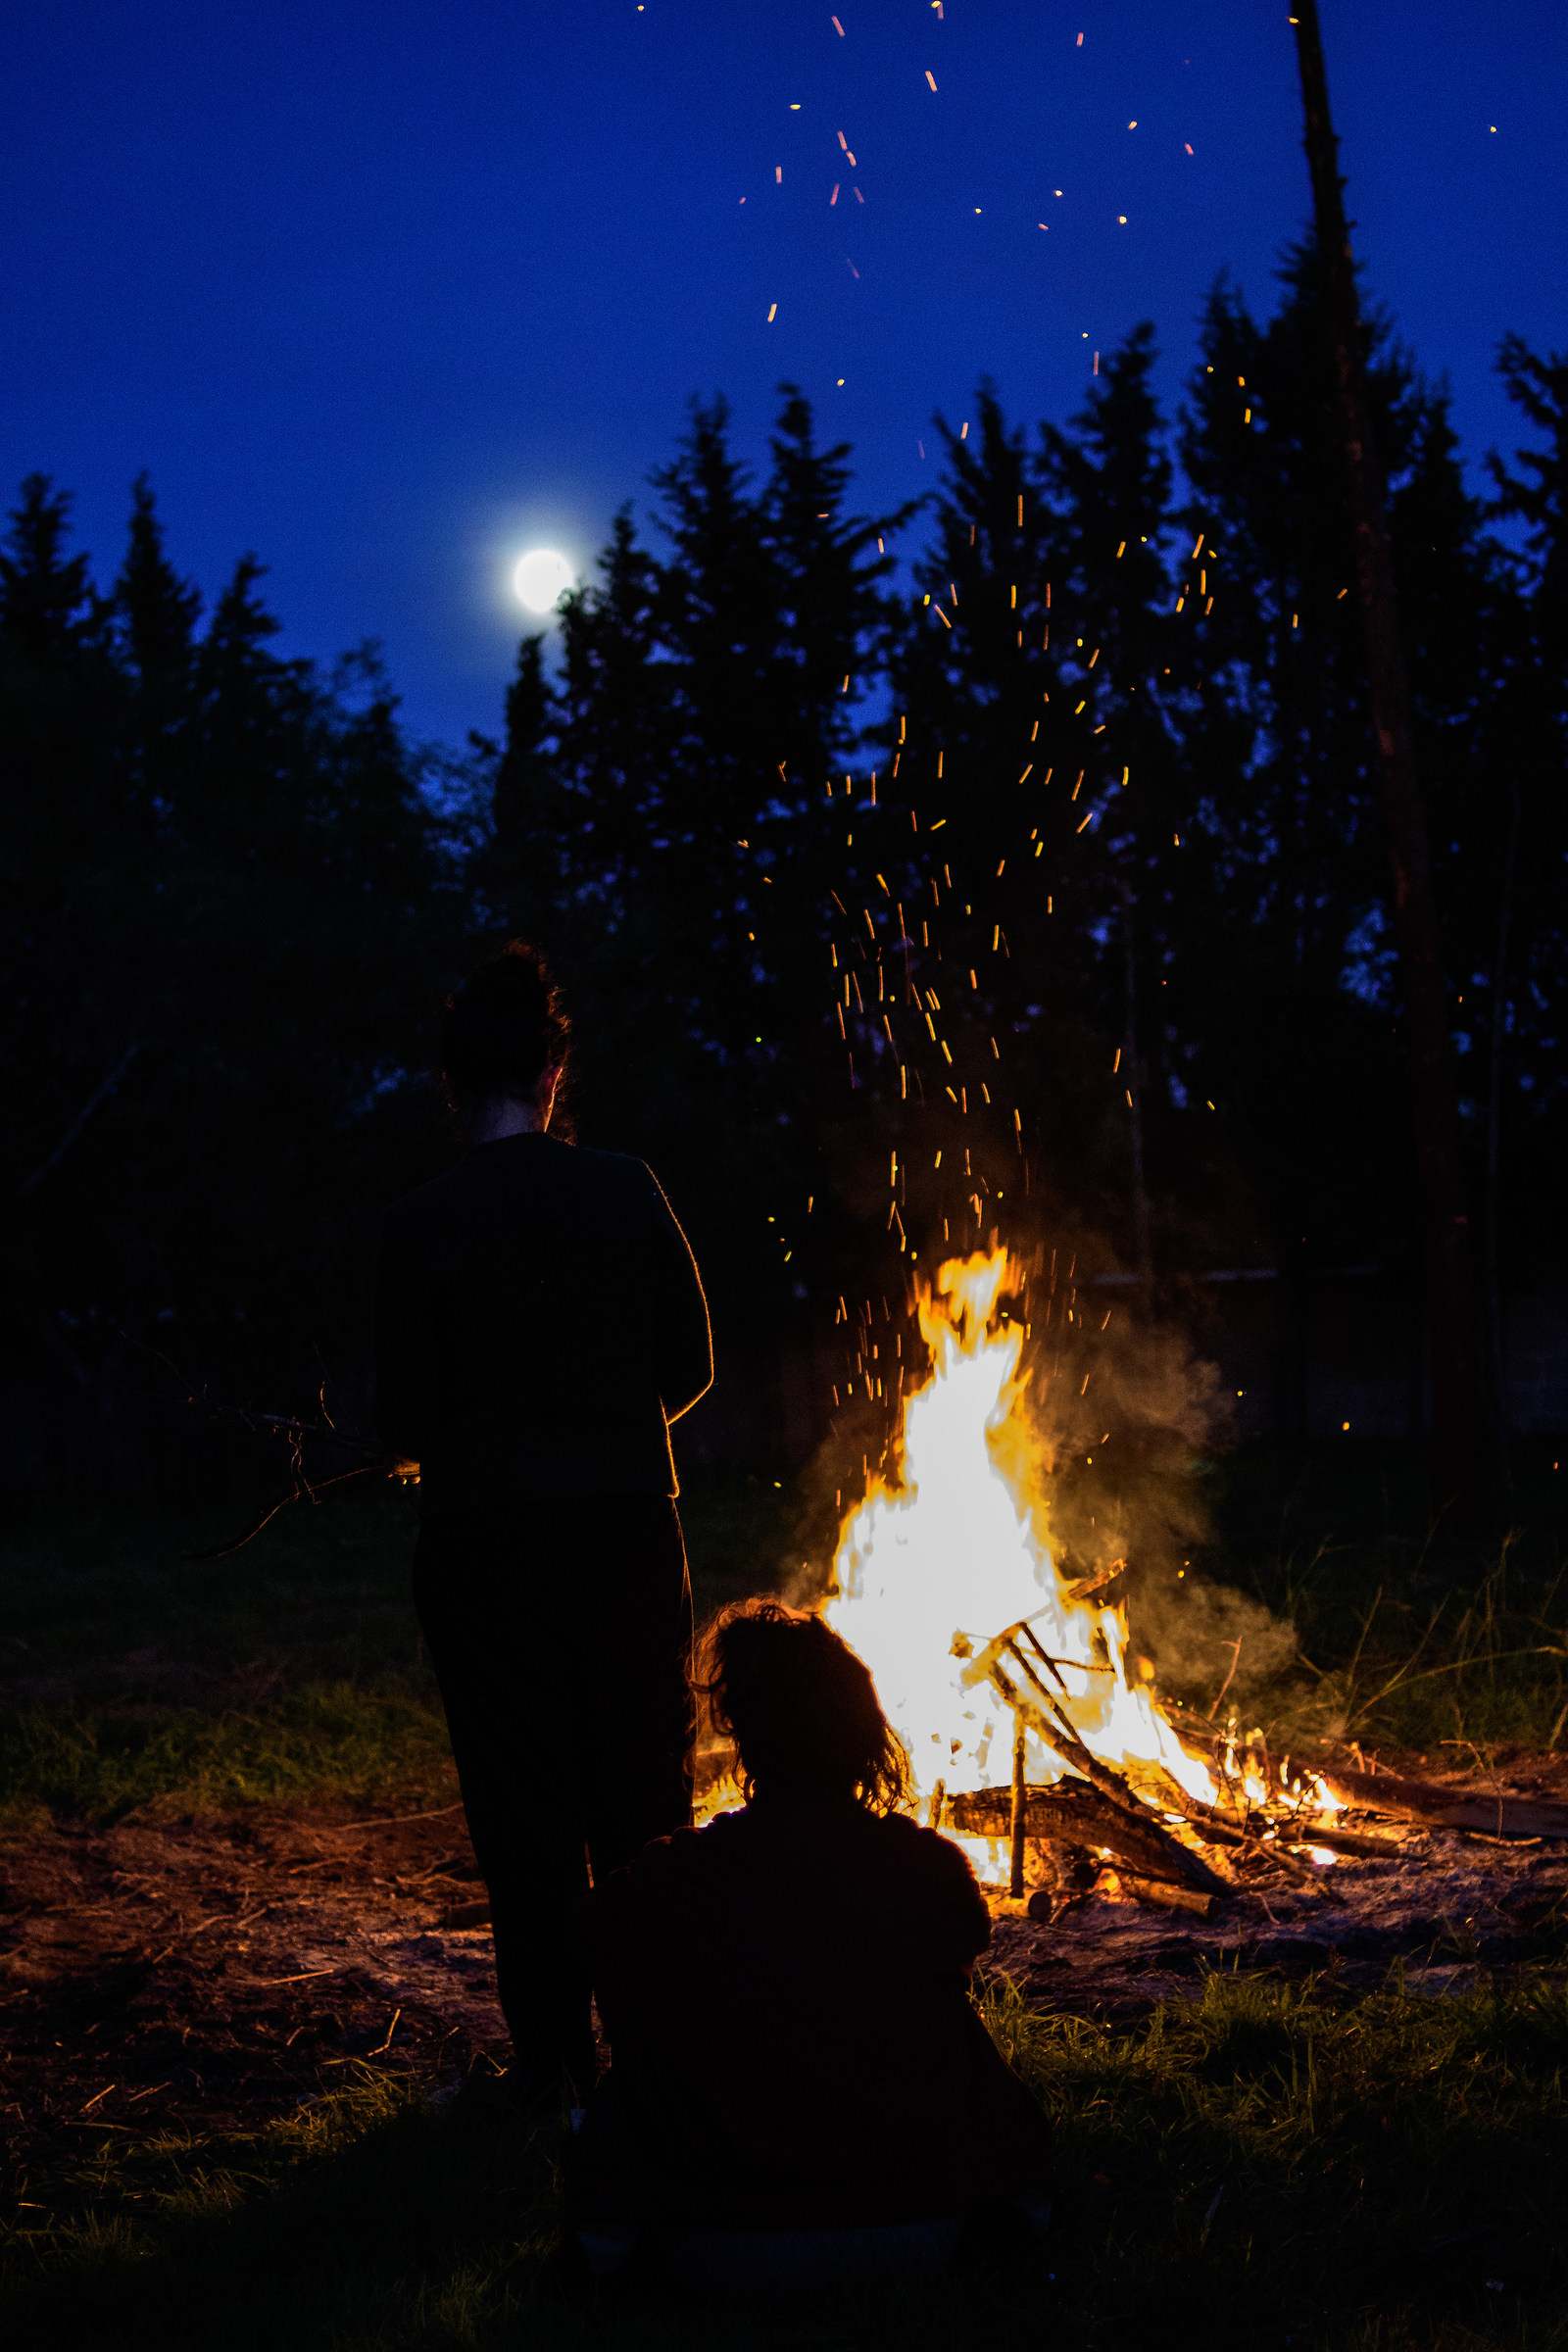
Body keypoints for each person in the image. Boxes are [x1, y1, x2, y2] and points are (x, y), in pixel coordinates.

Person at [372, 941, 712, 2103]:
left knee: (520, 1811)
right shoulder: (625, 1188)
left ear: (452, 1083)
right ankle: (665, 2051)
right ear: (554, 1076)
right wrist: (607, 1431)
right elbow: (692, 1363)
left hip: (483, 1546)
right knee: (640, 1798)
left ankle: (557, 2070)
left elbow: (397, 1415)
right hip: (624, 1529)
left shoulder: (417, 1224)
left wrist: (462, 1447)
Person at [571, 1601, 1053, 2295]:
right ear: (864, 1735)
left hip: (715, 2241)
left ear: (742, 1735)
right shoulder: (927, 1868)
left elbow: (588, 1933)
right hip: (924, 2228)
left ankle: (614, 2246)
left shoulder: (681, 1875)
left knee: (641, 2044)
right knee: (957, 2025)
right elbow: (958, 1948)